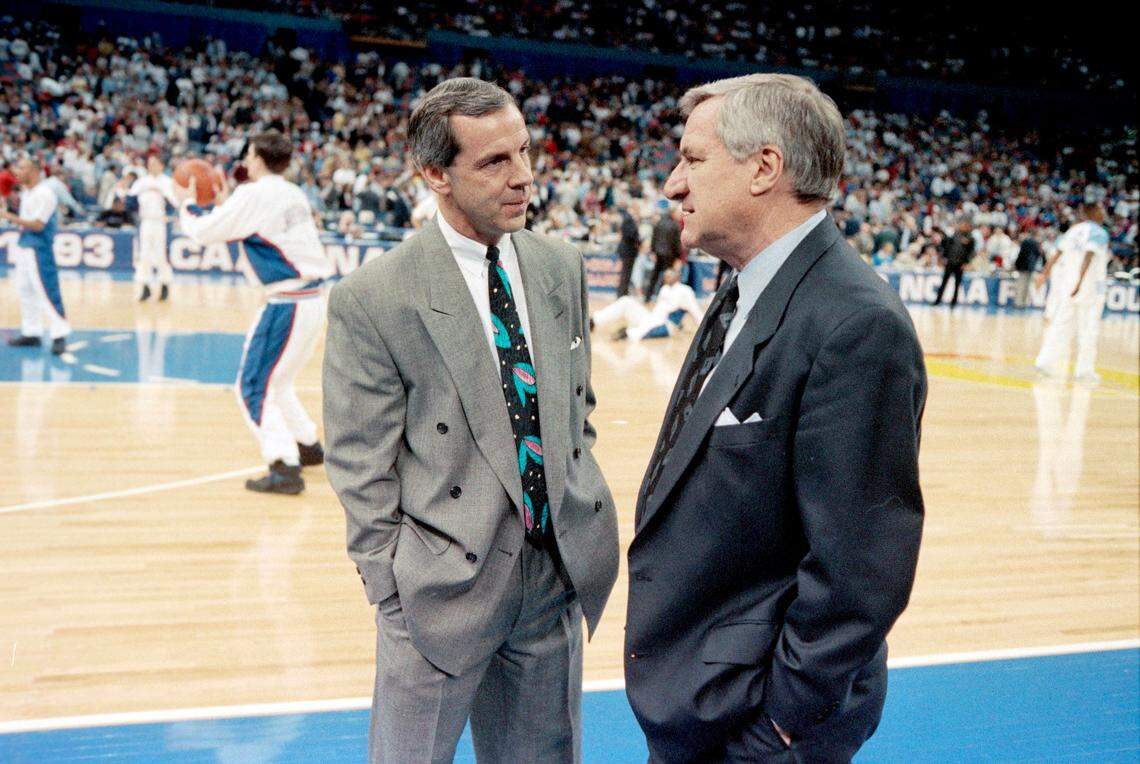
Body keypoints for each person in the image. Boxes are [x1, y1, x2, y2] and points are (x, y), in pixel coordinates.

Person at [624, 73, 927, 763]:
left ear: (765, 168)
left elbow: (859, 571)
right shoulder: (746, 288)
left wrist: (779, 729)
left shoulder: (854, 324)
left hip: (759, 725)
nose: (673, 184)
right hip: (702, 703)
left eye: (693, 160)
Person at [322, 77, 619, 763]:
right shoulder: (375, 297)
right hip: (438, 589)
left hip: (552, 578)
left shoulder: (560, 265)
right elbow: (358, 461)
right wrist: (391, 588)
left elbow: (577, 413)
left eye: (524, 152)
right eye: (495, 162)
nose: (525, 178)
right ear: (435, 174)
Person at [174, 130, 332, 494]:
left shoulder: (255, 194)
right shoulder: (292, 192)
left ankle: (284, 466)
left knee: (251, 387)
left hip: (287, 303)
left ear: (257, 158)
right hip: (311, 299)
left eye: (247, 154)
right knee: (280, 381)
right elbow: (249, 223)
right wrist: (227, 203)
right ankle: (307, 445)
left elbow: (203, 232)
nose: (244, 160)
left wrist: (188, 204)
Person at [1034, 202, 1110, 382]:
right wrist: (1080, 282)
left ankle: (1044, 361)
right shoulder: (1099, 233)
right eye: (1101, 209)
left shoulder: (1073, 230)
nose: (1104, 212)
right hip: (1089, 288)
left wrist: (1043, 274)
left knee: (1060, 324)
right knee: (1089, 329)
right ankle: (1084, 371)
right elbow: (1088, 256)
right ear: (1093, 212)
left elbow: (1056, 254)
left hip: (1068, 286)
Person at [1, 158, 71, 355]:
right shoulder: (27, 192)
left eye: (21, 168)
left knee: (46, 290)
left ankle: (59, 334)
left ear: (34, 171)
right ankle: (32, 331)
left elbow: (38, 225)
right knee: (25, 290)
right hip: (24, 246)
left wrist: (7, 216)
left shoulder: (45, 193)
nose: (16, 171)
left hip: (39, 249)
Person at [591, 262, 704, 340]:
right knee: (626, 301)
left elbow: (696, 312)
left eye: (671, 273)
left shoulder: (686, 291)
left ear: (678, 275)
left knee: (635, 334)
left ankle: (627, 334)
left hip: (664, 326)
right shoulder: (665, 289)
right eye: (666, 274)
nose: (667, 275)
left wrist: (704, 331)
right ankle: (594, 321)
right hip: (651, 318)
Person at [127, 154, 178, 301]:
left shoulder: (168, 182)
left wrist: (163, 193)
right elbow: (130, 202)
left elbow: (175, 203)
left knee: (162, 254)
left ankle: (164, 285)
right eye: (150, 163)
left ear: (162, 165)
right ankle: (145, 286)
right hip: (146, 222)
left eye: (155, 163)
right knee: (144, 255)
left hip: (162, 222)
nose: (152, 166)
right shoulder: (141, 183)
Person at [932, 218, 975, 307]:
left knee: (957, 284)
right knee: (944, 282)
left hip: (960, 264)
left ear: (968, 226)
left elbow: (971, 252)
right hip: (950, 262)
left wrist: (966, 263)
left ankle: (953, 302)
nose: (962, 226)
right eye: (962, 224)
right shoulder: (955, 234)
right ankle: (937, 300)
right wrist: (944, 257)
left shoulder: (970, 238)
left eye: (965, 224)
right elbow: (947, 246)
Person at [646, 202, 682, 301]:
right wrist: (679, 257)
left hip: (658, 253)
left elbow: (653, 238)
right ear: (673, 213)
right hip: (669, 254)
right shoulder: (675, 225)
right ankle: (662, 297)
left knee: (655, 276)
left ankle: (647, 296)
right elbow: (676, 243)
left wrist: (653, 251)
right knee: (667, 276)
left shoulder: (659, 222)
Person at [1012, 229, 1044, 308]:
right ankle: (1024, 303)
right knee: (1027, 285)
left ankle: (1018, 303)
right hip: (1031, 267)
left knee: (1021, 285)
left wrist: (1016, 264)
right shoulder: (1036, 243)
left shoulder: (1026, 242)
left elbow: (1021, 254)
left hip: (1023, 267)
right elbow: (1039, 254)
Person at [615, 204, 641, 297]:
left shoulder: (628, 219)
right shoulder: (629, 219)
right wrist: (638, 240)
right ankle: (622, 293)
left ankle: (623, 292)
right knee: (626, 273)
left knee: (626, 273)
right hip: (628, 250)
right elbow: (631, 235)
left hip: (627, 250)